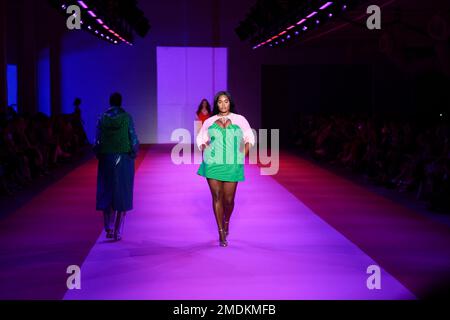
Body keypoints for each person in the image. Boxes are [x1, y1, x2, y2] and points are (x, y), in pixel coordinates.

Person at [196, 91, 255, 247]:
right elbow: (201, 138)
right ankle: (221, 232)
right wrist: (205, 148)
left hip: (232, 164)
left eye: (226, 101)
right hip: (213, 164)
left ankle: (226, 220)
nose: (223, 104)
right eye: (220, 102)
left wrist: (241, 156)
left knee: (229, 200)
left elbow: (250, 138)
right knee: (216, 197)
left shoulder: (240, 119)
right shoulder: (209, 121)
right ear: (216, 104)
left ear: (230, 102)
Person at [94, 92, 139, 241]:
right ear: (121, 102)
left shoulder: (102, 118)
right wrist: (134, 153)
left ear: (110, 102)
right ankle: (118, 232)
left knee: (107, 190)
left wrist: (99, 154)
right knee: (122, 192)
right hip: (123, 157)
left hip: (106, 156)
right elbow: (132, 137)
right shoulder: (126, 117)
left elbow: (97, 140)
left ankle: (108, 227)